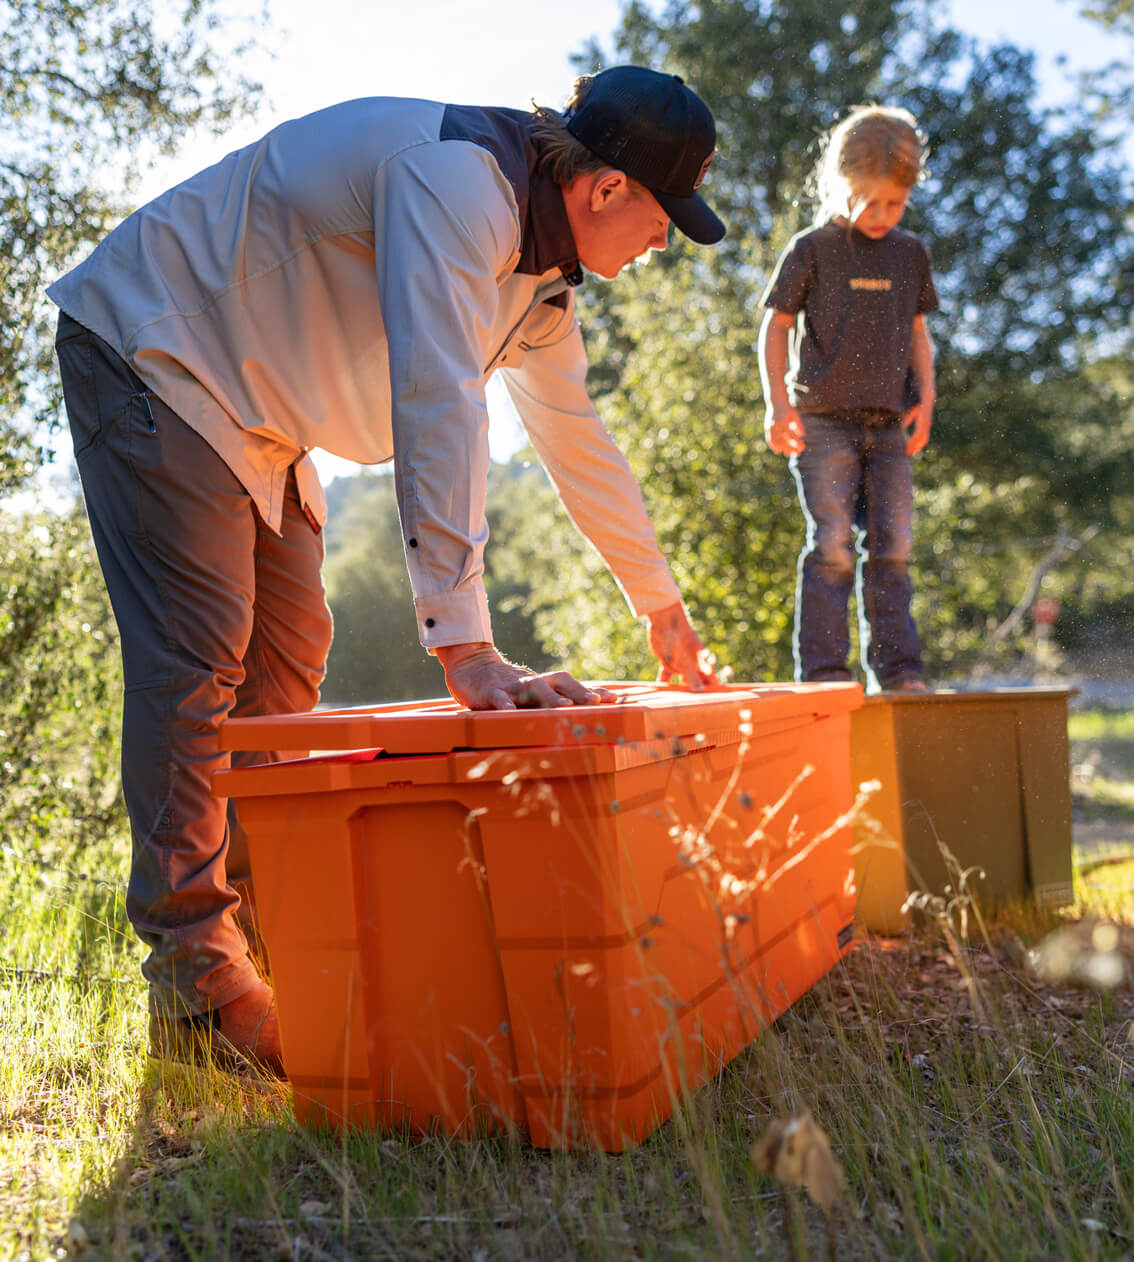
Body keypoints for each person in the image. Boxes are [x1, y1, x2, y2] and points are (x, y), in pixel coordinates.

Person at [48, 66, 726, 1076]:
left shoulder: (540, 284)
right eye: (665, 215)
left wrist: (663, 608)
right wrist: (466, 643)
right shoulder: (460, 182)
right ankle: (198, 991)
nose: (665, 238)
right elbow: (437, 393)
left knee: (286, 662)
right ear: (608, 189)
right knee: (199, 660)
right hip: (155, 342)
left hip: (257, 410)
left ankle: (268, 933)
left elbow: (576, 440)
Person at [757, 104, 938, 694]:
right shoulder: (813, 247)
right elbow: (776, 326)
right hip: (822, 421)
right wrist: (777, 404)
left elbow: (917, 333)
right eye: (869, 200)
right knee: (832, 545)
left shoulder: (910, 253)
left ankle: (901, 672)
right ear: (839, 183)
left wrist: (926, 398)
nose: (882, 214)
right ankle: (828, 676)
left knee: (895, 547)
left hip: (889, 423)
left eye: (895, 202)